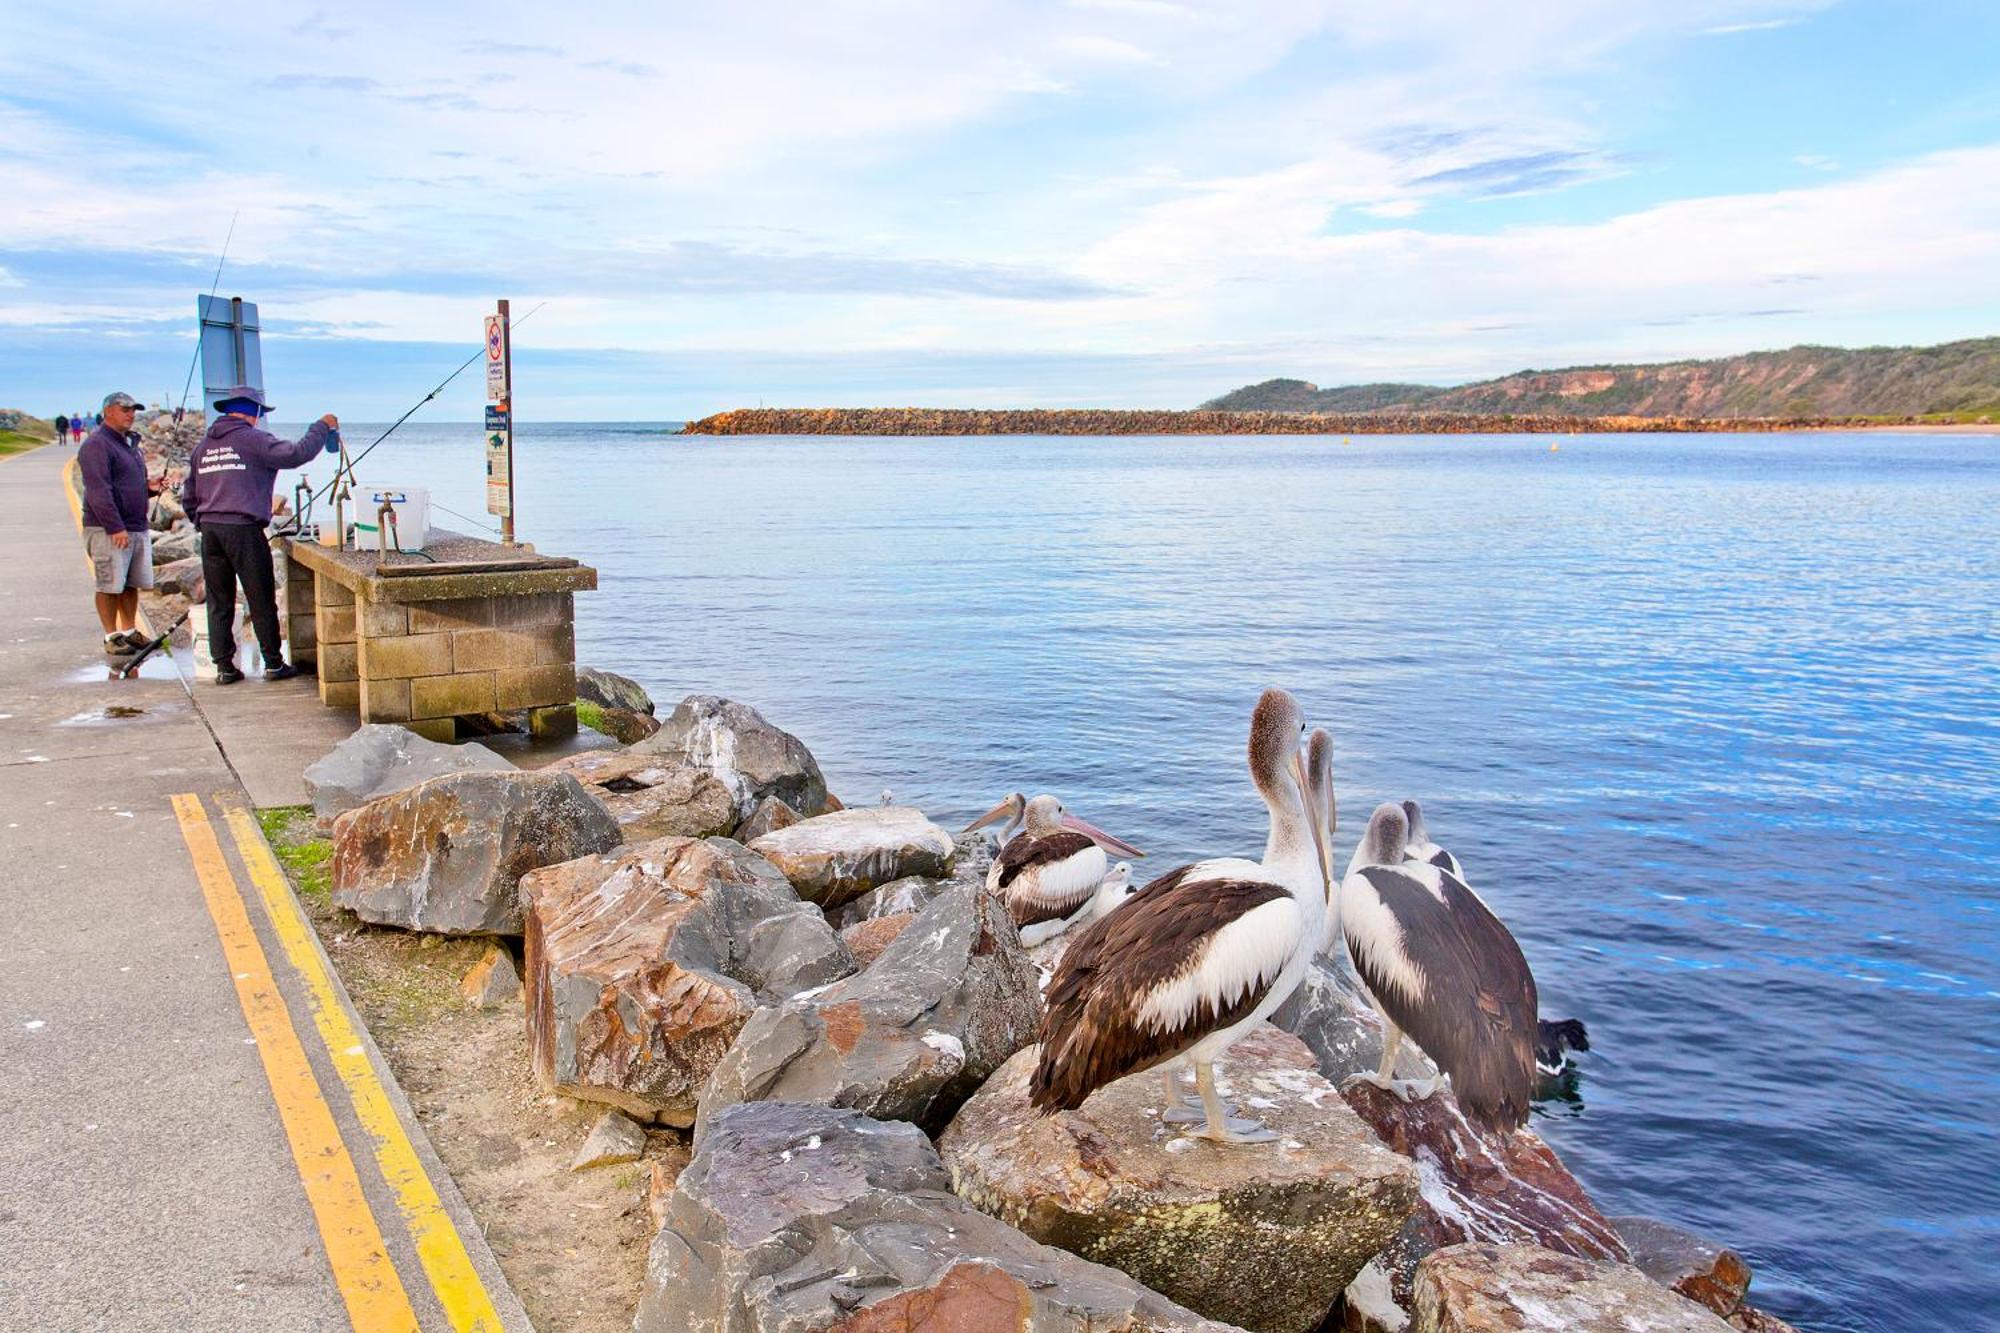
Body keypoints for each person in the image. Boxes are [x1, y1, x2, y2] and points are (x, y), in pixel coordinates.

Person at [181, 386, 337, 684]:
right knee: (260, 596)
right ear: (253, 412)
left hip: (211, 530)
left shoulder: (203, 447)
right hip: (243, 528)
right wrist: (322, 426)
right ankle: (274, 664)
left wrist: (203, 522)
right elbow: (295, 454)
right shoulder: (253, 440)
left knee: (219, 600)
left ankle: (224, 668)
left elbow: (190, 496)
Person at [77, 392, 154, 653]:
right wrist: (114, 527)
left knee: (130, 583)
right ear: (108, 411)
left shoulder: (128, 444)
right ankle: (111, 637)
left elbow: (127, 484)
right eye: (125, 409)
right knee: (109, 584)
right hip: (108, 529)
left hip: (135, 525)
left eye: (134, 410)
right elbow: (99, 490)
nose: (131, 414)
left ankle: (130, 631)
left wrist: (149, 489)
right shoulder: (97, 445)